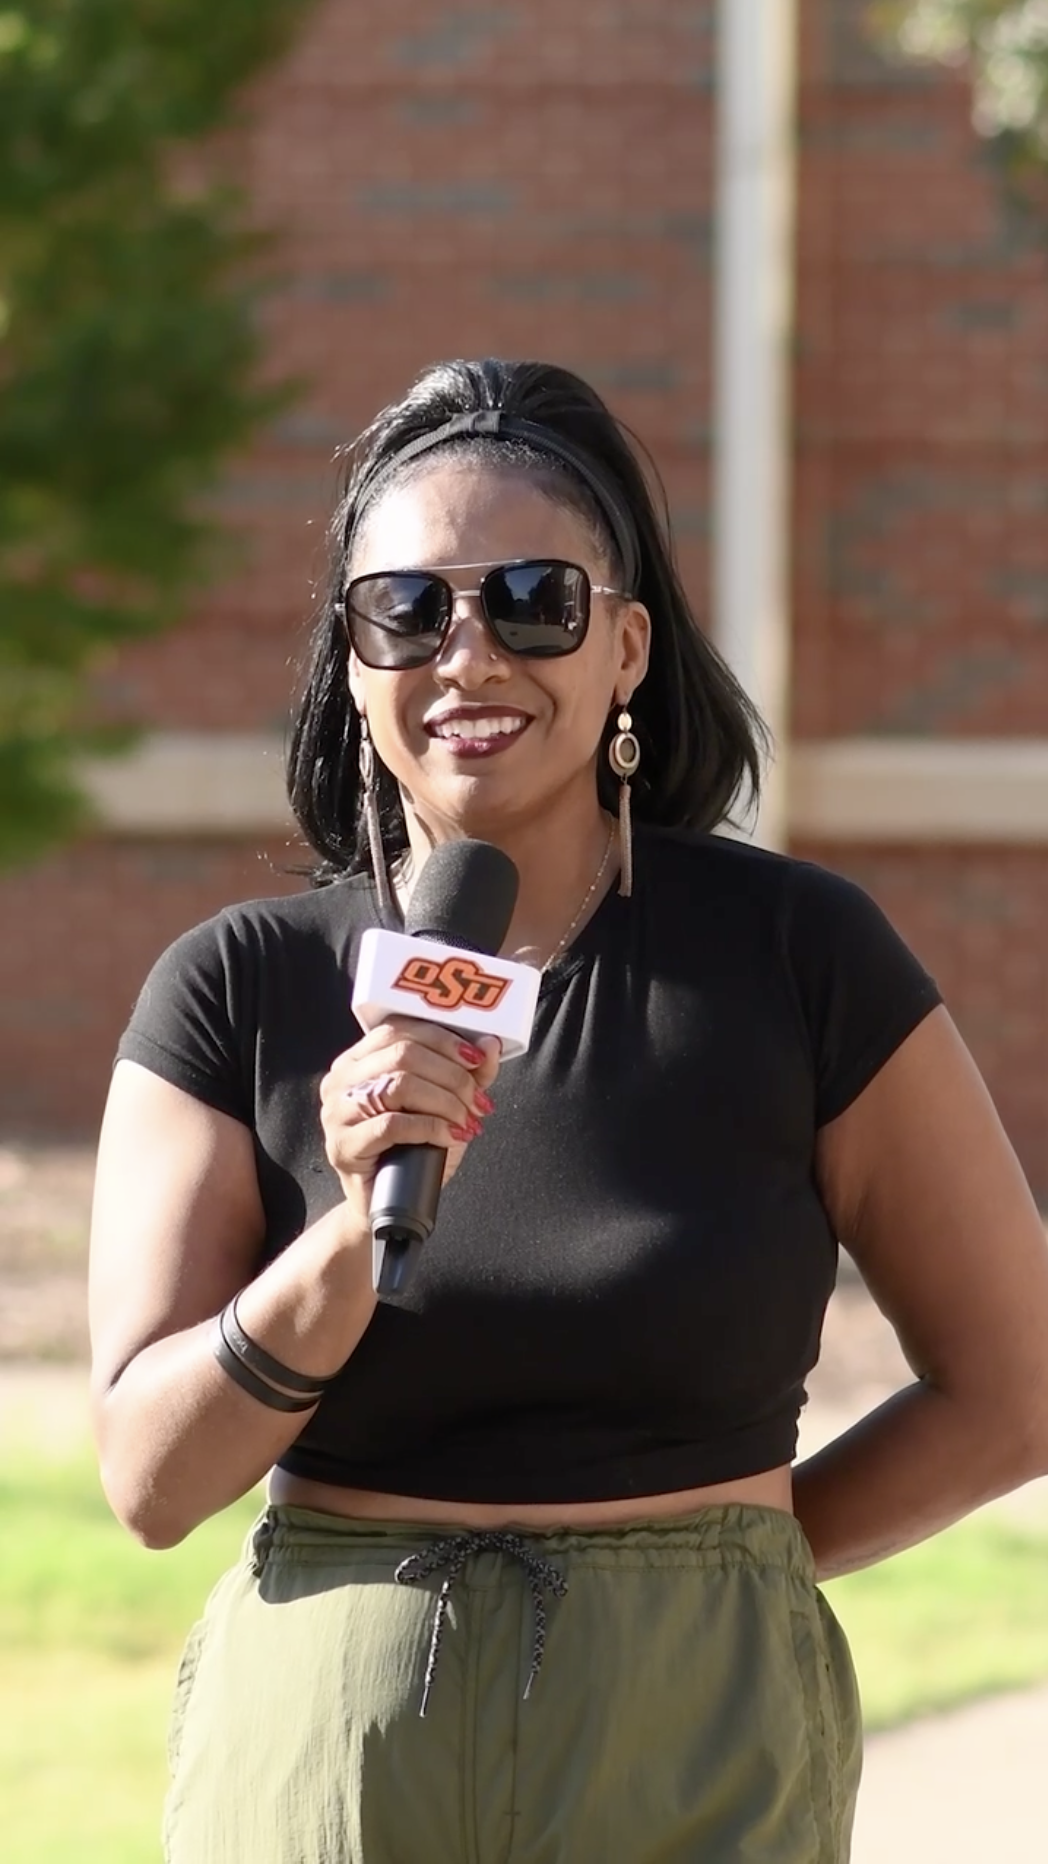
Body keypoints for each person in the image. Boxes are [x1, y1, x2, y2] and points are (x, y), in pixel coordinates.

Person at [88, 357, 1048, 1864]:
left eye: (533, 599)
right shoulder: (236, 988)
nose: (467, 654)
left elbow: (1020, 1383)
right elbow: (151, 1483)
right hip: (331, 1765)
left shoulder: (798, 957)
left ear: (628, 652)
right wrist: (350, 1234)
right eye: (408, 608)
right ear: (352, 663)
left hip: (696, 1753)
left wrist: (730, 1568)